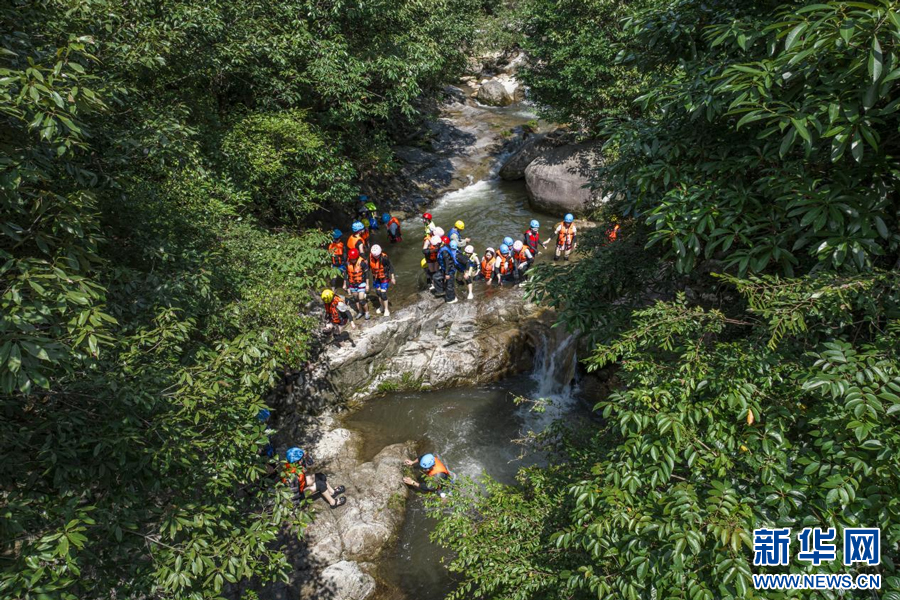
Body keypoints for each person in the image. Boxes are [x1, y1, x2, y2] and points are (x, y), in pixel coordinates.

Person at [369, 244, 396, 317]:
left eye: (377, 256)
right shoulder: (370, 257)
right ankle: (382, 307)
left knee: (383, 294)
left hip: (384, 277)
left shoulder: (384, 258)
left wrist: (392, 277)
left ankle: (386, 309)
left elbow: (391, 267)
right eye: (374, 256)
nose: (376, 257)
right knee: (378, 293)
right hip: (376, 277)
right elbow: (368, 267)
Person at [345, 248, 370, 320]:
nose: (352, 260)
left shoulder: (362, 263)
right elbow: (346, 275)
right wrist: (347, 285)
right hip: (352, 283)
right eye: (351, 259)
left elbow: (367, 274)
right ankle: (360, 312)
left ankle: (367, 312)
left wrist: (367, 285)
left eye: (354, 259)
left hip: (361, 283)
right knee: (356, 298)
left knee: (361, 299)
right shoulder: (347, 263)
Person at [437, 239, 461, 304]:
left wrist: (447, 273)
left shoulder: (445, 251)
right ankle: (444, 292)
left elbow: (448, 263)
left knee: (449, 285)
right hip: (447, 269)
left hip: (450, 270)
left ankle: (451, 299)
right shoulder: (445, 248)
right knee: (447, 283)